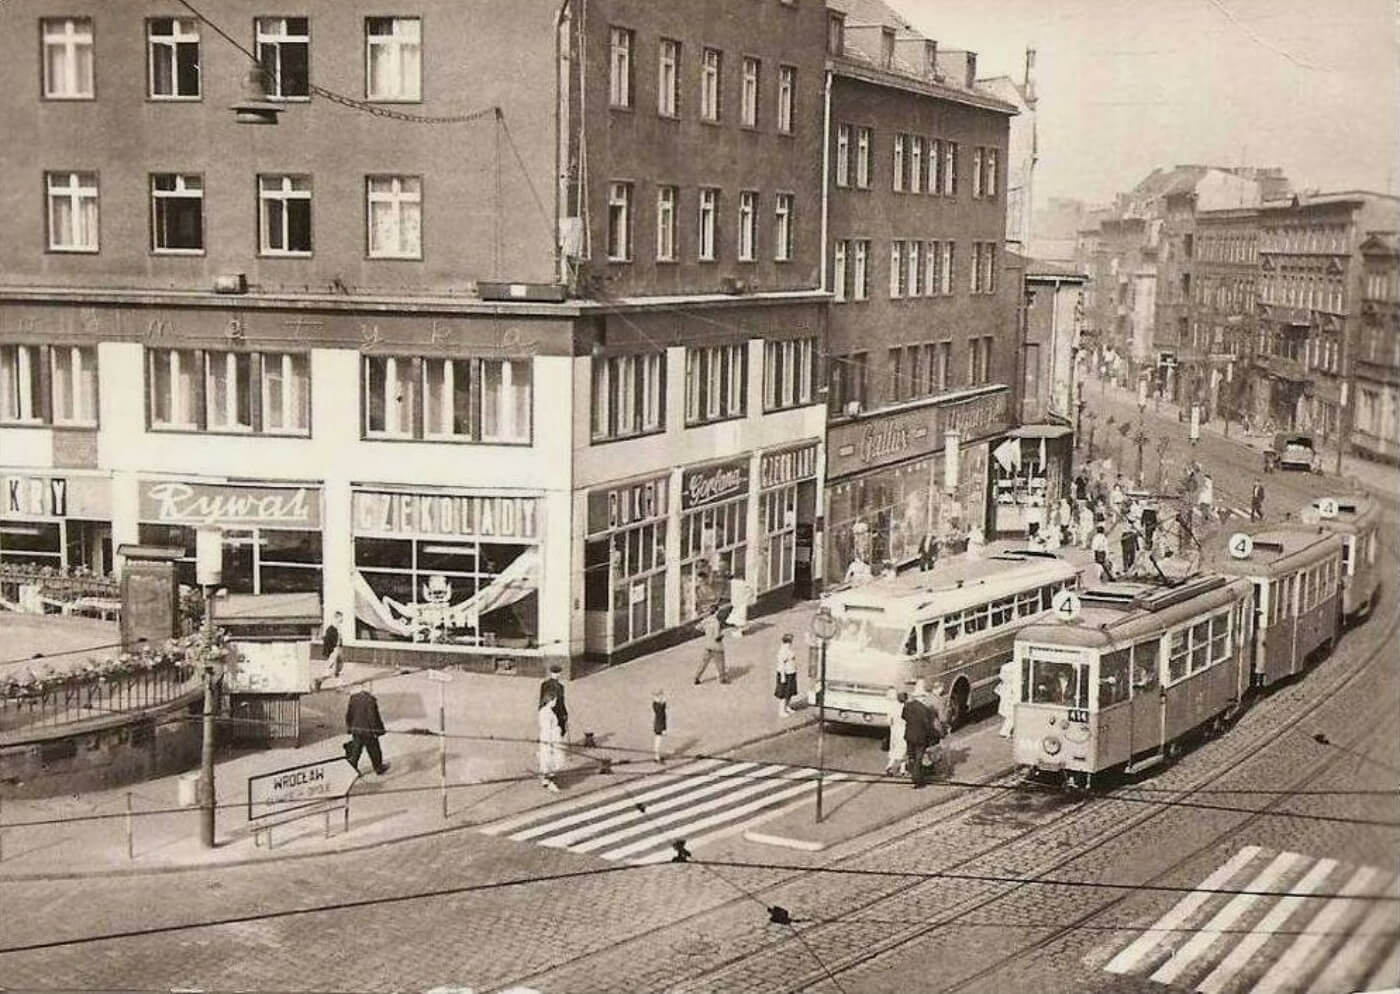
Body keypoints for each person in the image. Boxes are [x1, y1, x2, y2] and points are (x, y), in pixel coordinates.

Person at [344, 684, 390, 776]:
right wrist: (378, 731)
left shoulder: (353, 698)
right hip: (368, 731)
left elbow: (349, 715)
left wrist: (350, 727)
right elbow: (373, 717)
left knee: (356, 750)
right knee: (374, 750)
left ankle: (352, 770)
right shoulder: (370, 700)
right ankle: (378, 768)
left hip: (356, 730)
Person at [900, 690, 933, 788]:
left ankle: (912, 773)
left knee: (911, 756)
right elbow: (927, 725)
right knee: (919, 758)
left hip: (909, 735)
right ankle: (917, 779)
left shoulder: (907, 706)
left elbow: (903, 717)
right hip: (920, 737)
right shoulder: (924, 709)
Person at [693, 608, 729, 685]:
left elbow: (697, 627)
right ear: (716, 612)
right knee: (720, 663)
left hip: (708, 645)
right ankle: (722, 678)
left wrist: (706, 631)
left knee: (703, 663)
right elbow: (716, 636)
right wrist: (722, 635)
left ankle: (697, 677)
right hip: (716, 646)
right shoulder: (716, 622)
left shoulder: (706, 621)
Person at [538, 691, 565, 792]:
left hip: (547, 737)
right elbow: (548, 728)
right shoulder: (548, 713)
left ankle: (546, 779)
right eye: (554, 701)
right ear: (550, 701)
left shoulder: (543, 711)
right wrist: (551, 741)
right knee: (551, 759)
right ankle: (550, 781)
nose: (555, 703)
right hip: (550, 738)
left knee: (547, 759)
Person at [316, 611, 344, 691]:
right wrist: (328, 653)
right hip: (334, 650)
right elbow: (327, 642)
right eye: (341, 617)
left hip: (339, 649)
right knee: (330, 669)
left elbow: (340, 639)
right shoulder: (331, 629)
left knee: (339, 668)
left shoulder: (339, 627)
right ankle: (319, 680)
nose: (342, 619)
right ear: (337, 618)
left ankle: (339, 686)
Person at [539, 663, 568, 737]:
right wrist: (565, 713)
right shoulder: (560, 686)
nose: (559, 675)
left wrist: (541, 709)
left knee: (546, 729)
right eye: (558, 673)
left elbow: (541, 698)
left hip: (545, 710)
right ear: (558, 674)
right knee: (558, 730)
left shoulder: (544, 684)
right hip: (557, 711)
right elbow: (561, 701)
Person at [884, 689, 908, 776]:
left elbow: (888, 721)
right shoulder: (906, 708)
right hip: (903, 729)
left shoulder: (893, 707)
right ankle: (900, 768)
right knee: (904, 750)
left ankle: (895, 766)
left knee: (894, 748)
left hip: (894, 730)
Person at [774, 633, 798, 717]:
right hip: (785, 674)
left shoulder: (788, 650)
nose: (790, 644)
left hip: (791, 673)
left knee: (790, 692)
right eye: (790, 642)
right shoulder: (783, 651)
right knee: (783, 694)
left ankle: (787, 707)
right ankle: (781, 710)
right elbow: (781, 665)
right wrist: (783, 677)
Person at [996, 659, 1017, 738]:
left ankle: (1006, 731)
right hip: (1011, 693)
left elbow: (1001, 677)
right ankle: (1005, 732)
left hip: (1006, 691)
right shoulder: (1015, 667)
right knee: (1011, 715)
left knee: (1009, 714)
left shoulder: (1005, 667)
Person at [651, 690, 668, 763]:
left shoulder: (656, 705)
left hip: (658, 725)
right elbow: (661, 716)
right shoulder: (658, 707)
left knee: (657, 741)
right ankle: (656, 757)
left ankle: (657, 756)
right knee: (658, 742)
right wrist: (663, 729)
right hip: (659, 726)